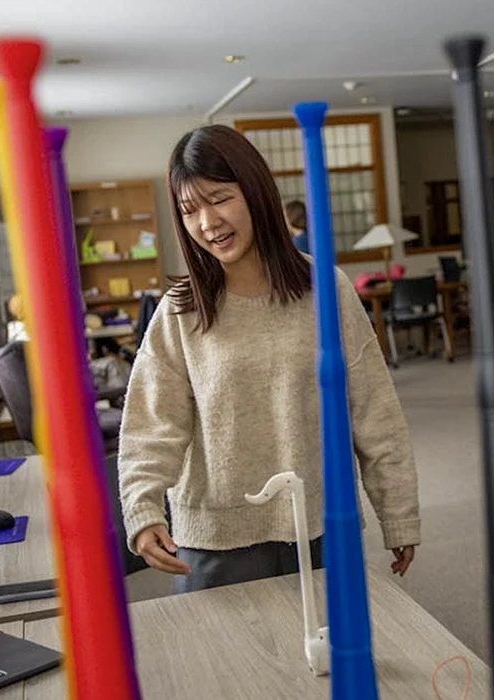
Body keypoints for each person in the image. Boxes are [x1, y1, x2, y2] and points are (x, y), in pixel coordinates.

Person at [119, 124, 420, 593]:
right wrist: (142, 507)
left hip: (322, 528)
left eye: (218, 199)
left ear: (256, 192)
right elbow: (150, 424)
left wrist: (398, 513)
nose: (207, 223)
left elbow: (373, 410)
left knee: (330, 666)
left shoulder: (326, 289)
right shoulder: (181, 309)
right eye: (190, 210)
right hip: (218, 543)